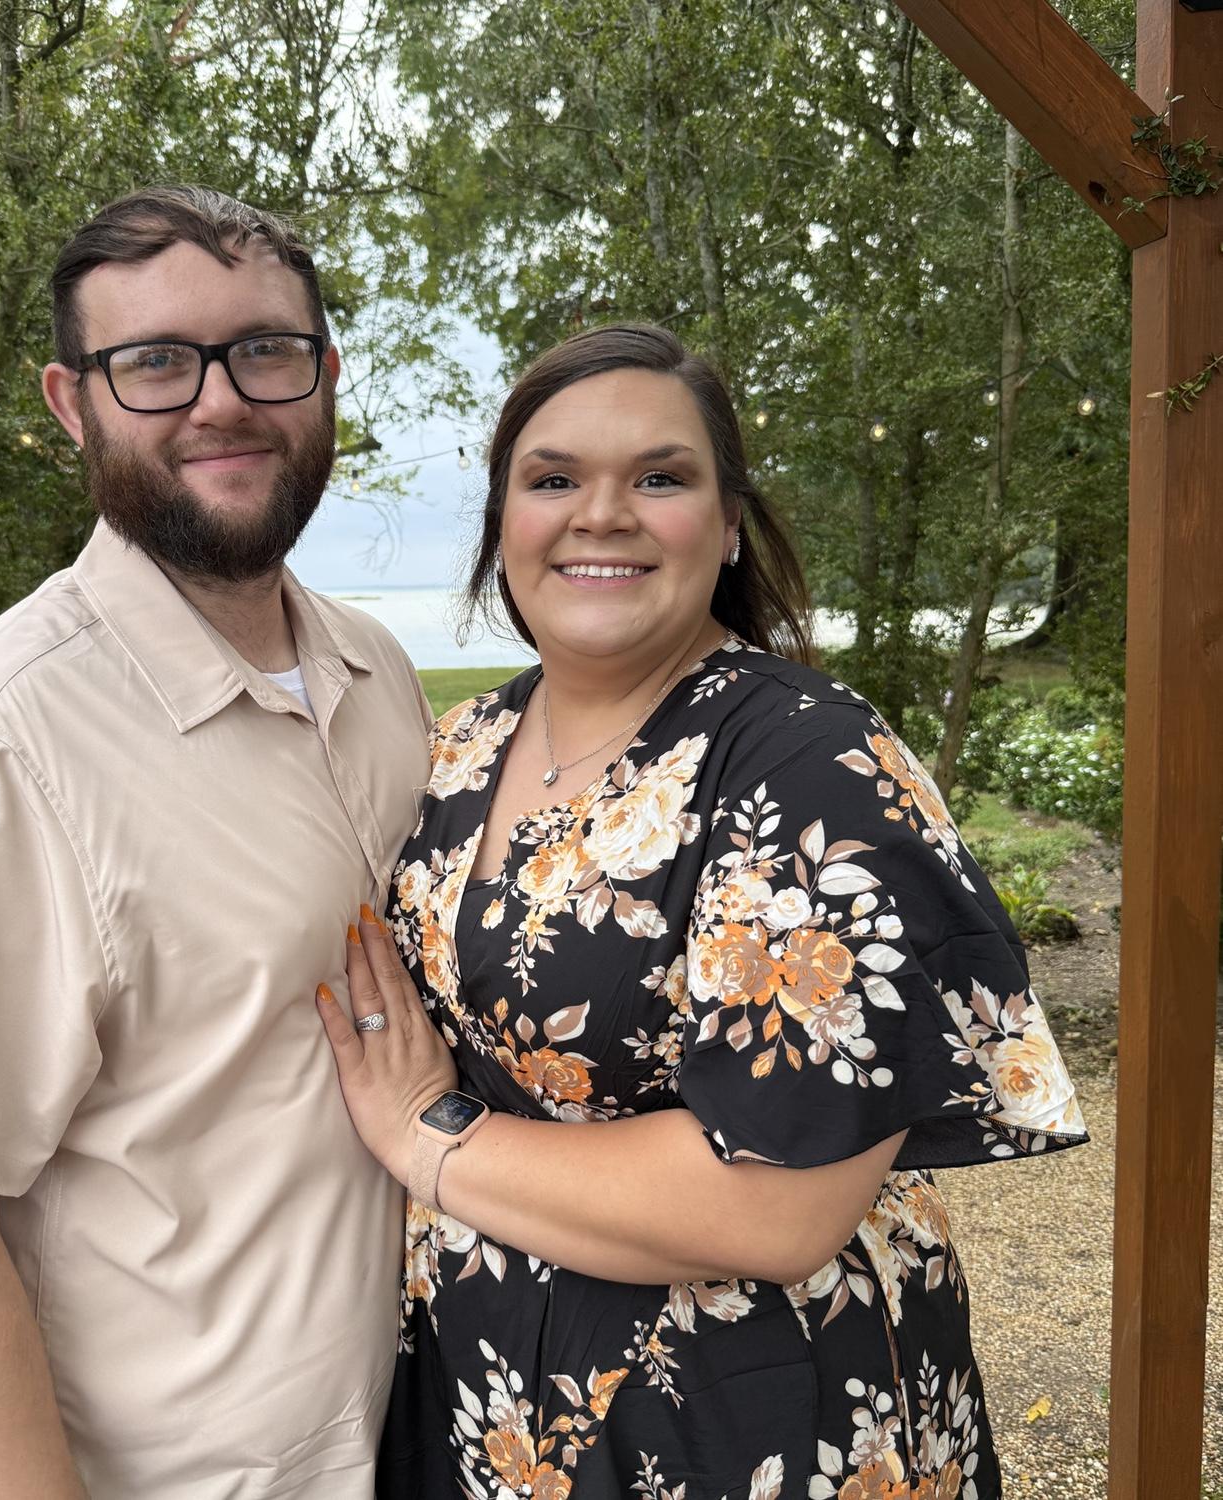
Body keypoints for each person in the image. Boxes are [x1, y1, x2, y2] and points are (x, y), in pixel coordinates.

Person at [314, 323, 1088, 1500]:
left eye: (660, 478)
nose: (601, 514)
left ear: (728, 526)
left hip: (747, 1409)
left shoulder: (806, 763)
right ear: (503, 524)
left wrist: (428, 1134)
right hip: (494, 1394)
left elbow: (776, 1204)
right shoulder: (459, 747)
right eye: (553, 479)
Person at [0, 186, 431, 1499]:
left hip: (377, 1445)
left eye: (265, 350)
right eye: (154, 363)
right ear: (71, 402)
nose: (221, 401)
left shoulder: (377, 674)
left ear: (325, 375)